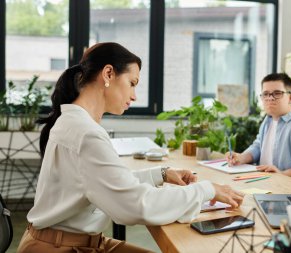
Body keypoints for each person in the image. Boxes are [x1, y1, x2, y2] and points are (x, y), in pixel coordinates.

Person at [17, 42, 244, 253]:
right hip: (60, 248)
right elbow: (135, 205)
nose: (134, 96)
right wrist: (207, 189)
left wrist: (161, 174)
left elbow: (108, 182)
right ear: (108, 74)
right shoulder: (86, 133)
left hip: (75, 240)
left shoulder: (75, 123)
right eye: (132, 83)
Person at [226, 73, 291, 185]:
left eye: (277, 93)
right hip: (262, 182)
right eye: (266, 94)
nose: (270, 98)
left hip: (286, 188)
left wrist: (282, 174)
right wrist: (242, 158)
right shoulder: (267, 121)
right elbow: (259, 145)